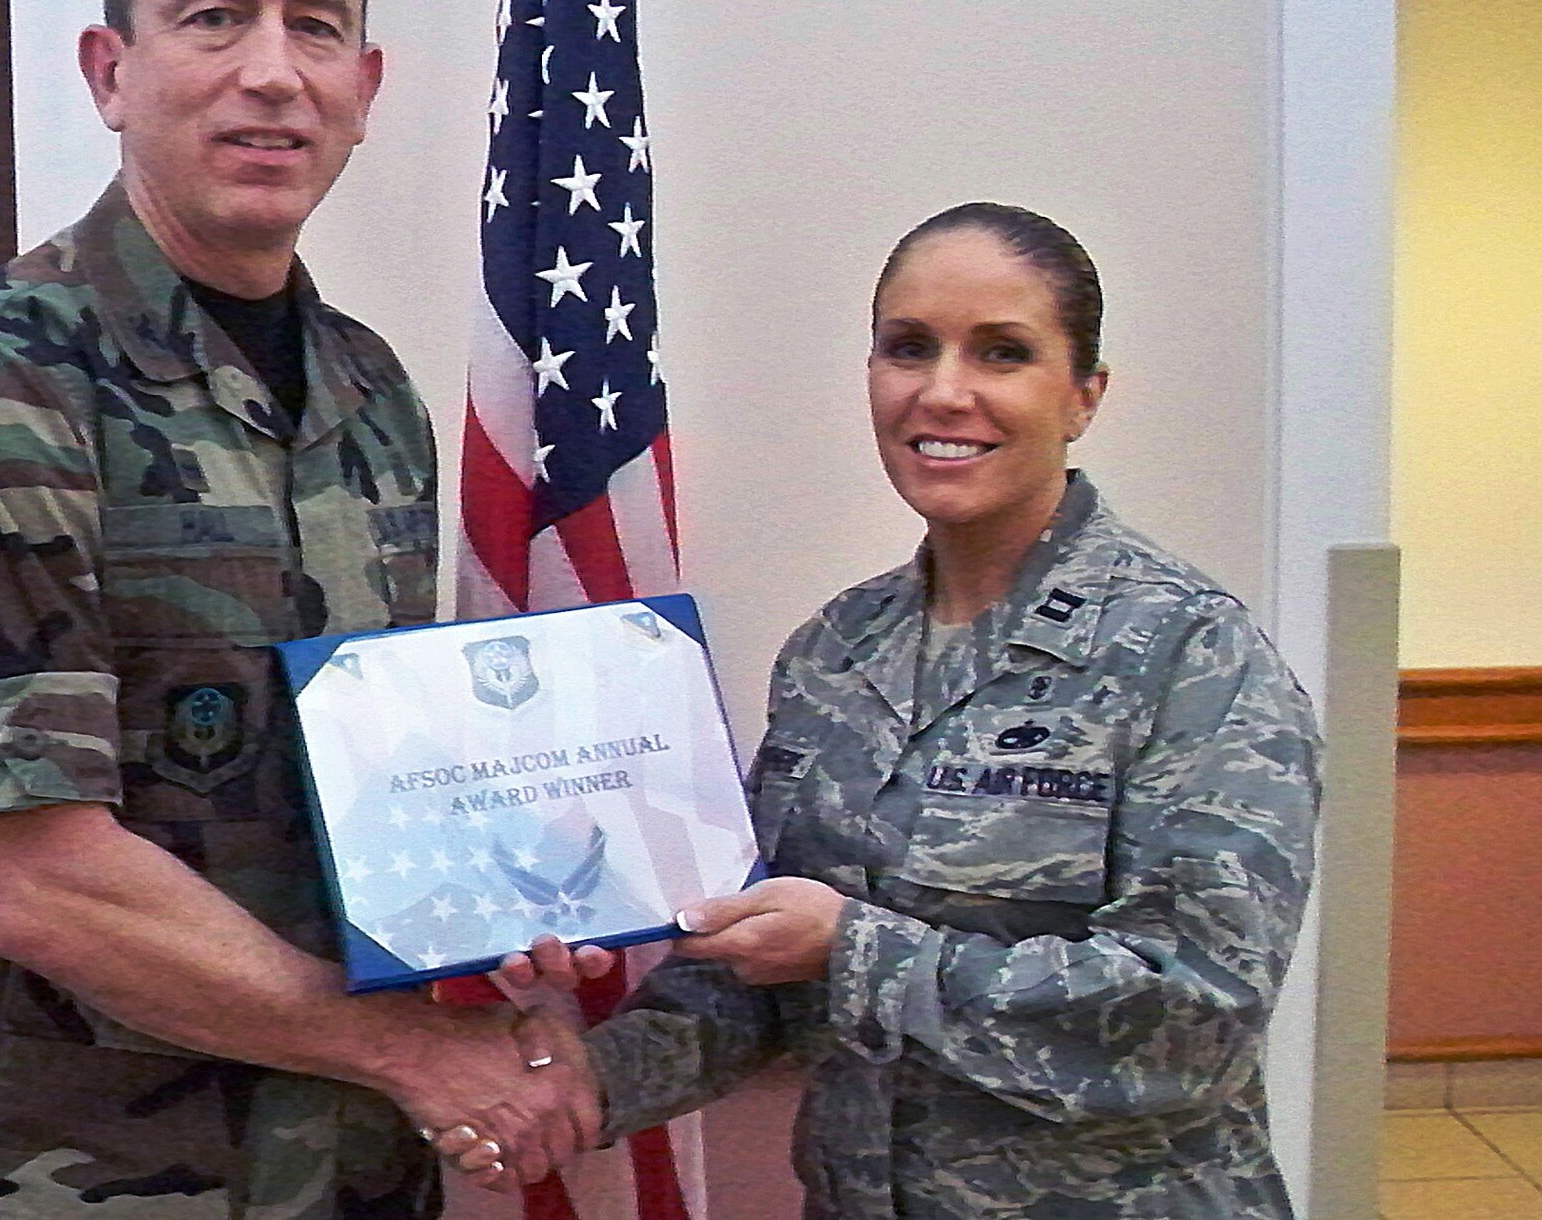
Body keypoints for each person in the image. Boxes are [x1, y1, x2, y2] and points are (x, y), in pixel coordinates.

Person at [0, 0, 595, 1220]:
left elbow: (391, 793)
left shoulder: (371, 391)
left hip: (350, 1167)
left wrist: (546, 941)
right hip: (83, 1180)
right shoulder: (2, 382)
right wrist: (417, 1051)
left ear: (365, 90)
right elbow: (40, 880)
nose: (271, 70)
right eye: (213, 15)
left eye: (317, 25)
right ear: (109, 71)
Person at [440, 203, 1322, 1218]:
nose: (942, 392)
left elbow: (1191, 1016)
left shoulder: (1190, 656)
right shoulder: (833, 653)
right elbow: (757, 967)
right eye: (908, 348)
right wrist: (583, 1084)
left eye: (1001, 353)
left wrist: (855, 949)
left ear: (1082, 396)